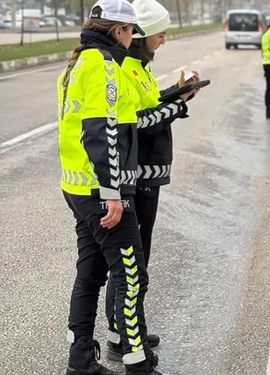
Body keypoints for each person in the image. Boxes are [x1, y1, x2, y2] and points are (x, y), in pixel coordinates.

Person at [57, 0, 162, 374]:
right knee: (131, 275)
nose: (134, 38)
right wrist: (113, 193)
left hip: (77, 187)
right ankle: (137, 363)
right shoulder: (103, 69)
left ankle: (81, 358)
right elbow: (103, 133)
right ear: (119, 31)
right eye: (131, 31)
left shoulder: (75, 66)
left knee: (91, 272)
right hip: (102, 192)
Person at [103, 0, 199, 361]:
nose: (164, 40)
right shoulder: (126, 69)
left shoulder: (140, 67)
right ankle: (124, 335)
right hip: (137, 178)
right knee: (131, 263)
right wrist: (179, 105)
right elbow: (141, 122)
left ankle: (128, 329)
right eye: (159, 34)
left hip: (149, 177)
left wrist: (177, 94)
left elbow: (151, 104)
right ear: (140, 36)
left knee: (138, 259)